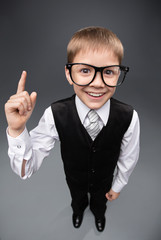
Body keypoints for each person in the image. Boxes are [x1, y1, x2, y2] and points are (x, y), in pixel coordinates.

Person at [5, 26, 140, 232]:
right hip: (74, 178)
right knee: (77, 199)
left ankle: (99, 214)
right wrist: (16, 131)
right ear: (69, 73)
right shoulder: (55, 113)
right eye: (85, 70)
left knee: (99, 203)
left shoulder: (129, 116)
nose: (97, 83)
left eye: (108, 72)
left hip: (105, 180)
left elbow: (128, 157)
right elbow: (26, 170)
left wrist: (118, 185)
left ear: (118, 72)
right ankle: (77, 212)